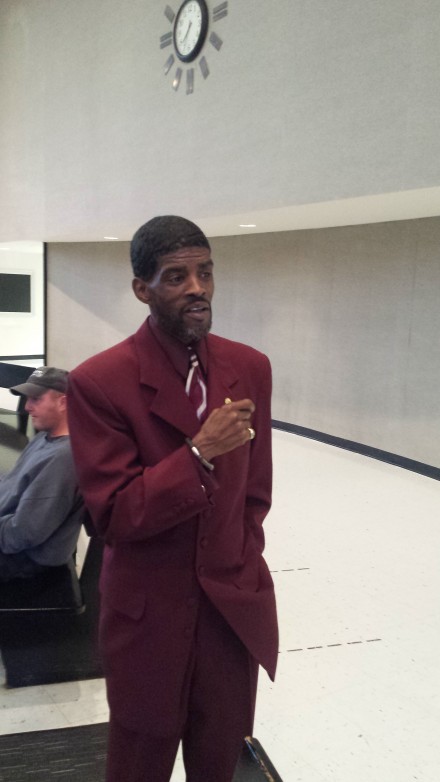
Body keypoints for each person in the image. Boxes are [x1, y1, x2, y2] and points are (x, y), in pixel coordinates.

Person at [67, 215, 278, 782]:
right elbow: (112, 515)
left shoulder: (250, 368)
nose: (197, 289)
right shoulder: (100, 381)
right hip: (148, 617)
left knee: (218, 760)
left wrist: (240, 564)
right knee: (139, 764)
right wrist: (196, 456)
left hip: (230, 611)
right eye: (176, 276)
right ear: (142, 288)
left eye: (205, 273)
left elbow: (255, 495)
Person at [0, 366, 83, 581]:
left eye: (36, 399)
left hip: (24, 559)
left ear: (63, 402)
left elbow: (25, 532)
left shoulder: (63, 458)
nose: (27, 407)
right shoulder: (45, 437)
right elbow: (15, 483)